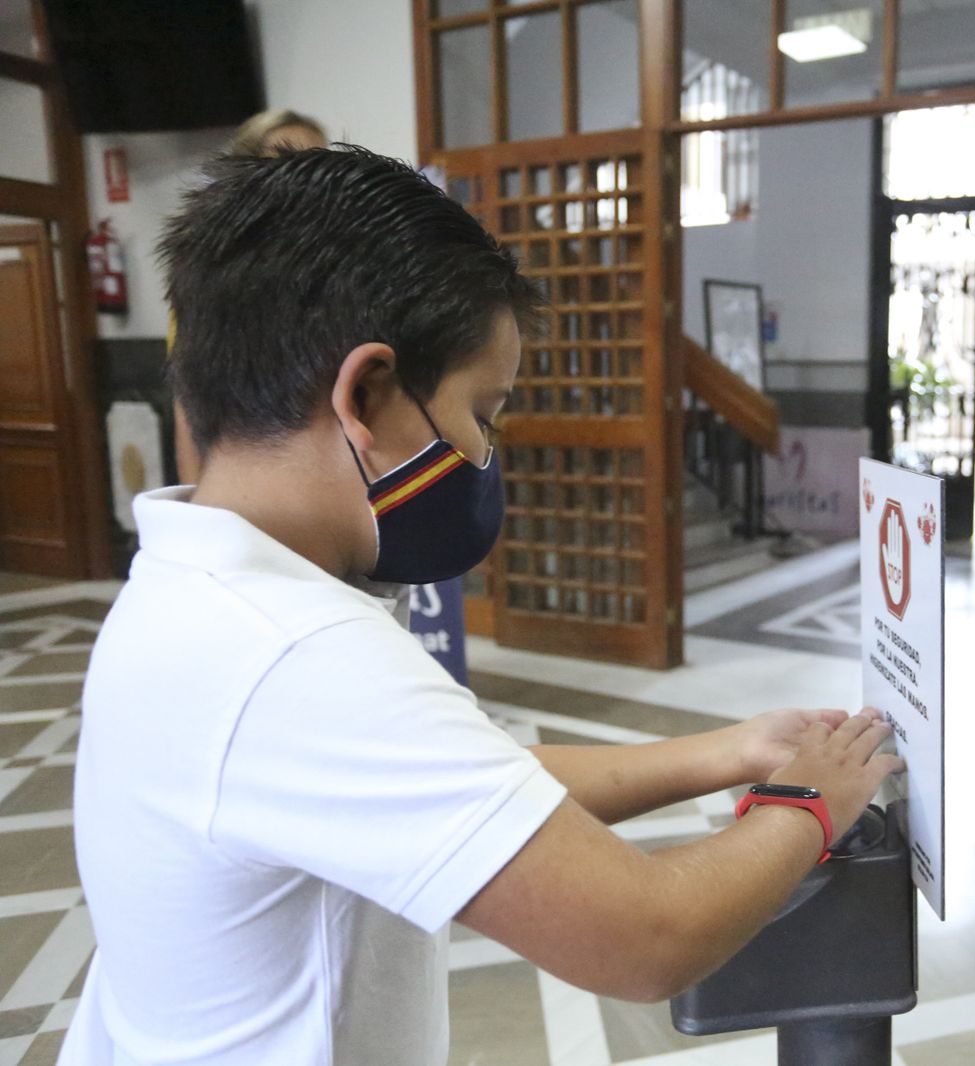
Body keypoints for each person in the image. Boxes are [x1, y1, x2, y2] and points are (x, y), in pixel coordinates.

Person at [60, 147, 903, 1063]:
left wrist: (729, 752)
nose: (488, 452)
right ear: (368, 395)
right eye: (484, 412)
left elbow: (476, 785)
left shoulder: (193, 584)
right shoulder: (297, 655)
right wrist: (810, 807)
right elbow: (648, 936)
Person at [171, 109, 330, 487]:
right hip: (247, 479)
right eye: (284, 160)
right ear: (248, 170)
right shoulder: (211, 266)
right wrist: (200, 507)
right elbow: (188, 401)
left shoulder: (343, 260)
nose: (301, 176)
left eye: (317, 162)